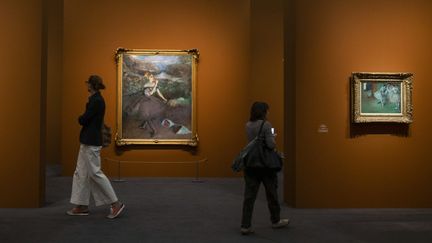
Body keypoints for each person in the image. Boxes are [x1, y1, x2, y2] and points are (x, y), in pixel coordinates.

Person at [67, 75, 125, 219]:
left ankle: (116, 204)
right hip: (87, 140)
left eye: (87, 83)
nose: (86, 85)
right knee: (81, 172)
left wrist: (81, 118)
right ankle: (81, 205)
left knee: (95, 172)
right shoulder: (95, 100)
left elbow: (83, 119)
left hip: (91, 141)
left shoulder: (96, 101)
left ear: (91, 85)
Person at [240, 101, 289, 235]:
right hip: (266, 165)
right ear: (264, 111)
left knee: (249, 196)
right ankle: (275, 220)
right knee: (272, 194)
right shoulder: (266, 125)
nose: (269, 112)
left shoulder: (248, 125)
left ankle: (245, 225)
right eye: (268, 110)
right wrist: (273, 137)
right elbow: (271, 145)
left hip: (251, 163)